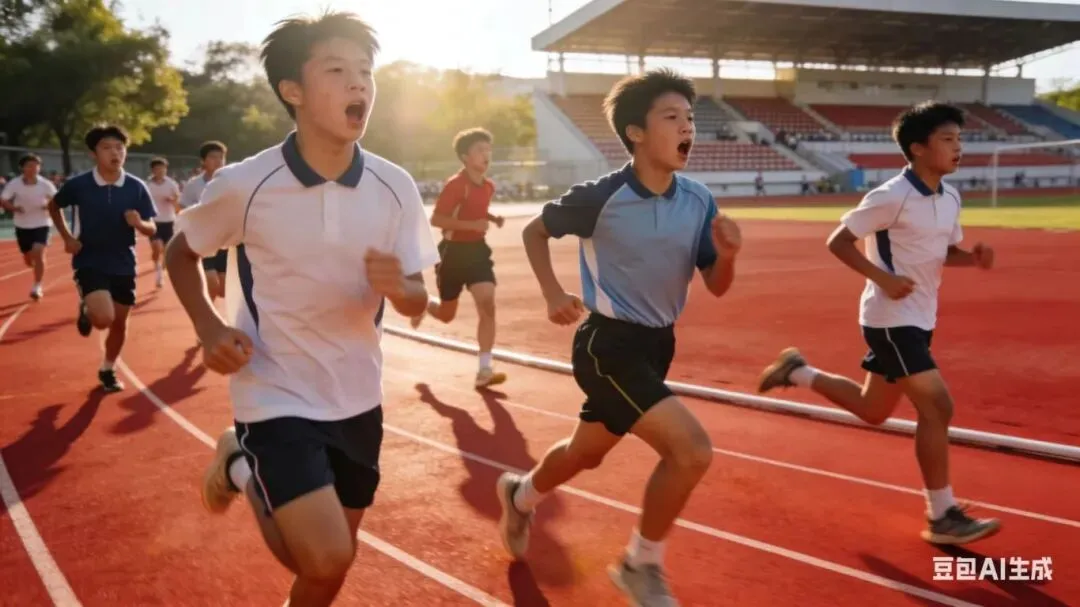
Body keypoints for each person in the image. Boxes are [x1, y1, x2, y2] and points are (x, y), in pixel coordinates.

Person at [166, 11, 438, 607]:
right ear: (292, 90)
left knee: (326, 569)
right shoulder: (247, 184)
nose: (358, 85)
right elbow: (179, 253)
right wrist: (209, 327)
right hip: (275, 393)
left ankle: (244, 470)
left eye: (366, 72)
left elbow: (420, 298)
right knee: (327, 554)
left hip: (358, 394)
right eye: (337, 70)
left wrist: (402, 289)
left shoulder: (394, 187)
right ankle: (242, 459)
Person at [496, 69, 742, 607]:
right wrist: (553, 292)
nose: (687, 128)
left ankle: (520, 494)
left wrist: (726, 254)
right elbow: (534, 230)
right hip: (607, 345)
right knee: (691, 451)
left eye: (691, 118)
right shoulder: (602, 196)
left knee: (586, 453)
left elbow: (717, 287)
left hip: (658, 346)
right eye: (672, 117)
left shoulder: (698, 199)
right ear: (635, 132)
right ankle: (641, 562)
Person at [757, 101, 1000, 545]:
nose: (958, 147)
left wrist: (973, 258)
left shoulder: (950, 196)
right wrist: (882, 278)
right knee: (938, 407)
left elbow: (942, 252)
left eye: (959, 139)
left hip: (921, 317)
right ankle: (942, 514)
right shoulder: (890, 195)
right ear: (918, 148)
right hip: (890, 319)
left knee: (874, 411)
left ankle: (798, 370)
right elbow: (839, 241)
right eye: (948, 139)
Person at [47, 125, 157, 392]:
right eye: (107, 147)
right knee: (104, 319)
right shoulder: (80, 185)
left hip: (123, 261)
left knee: (119, 323)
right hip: (89, 258)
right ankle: (88, 306)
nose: (114, 153)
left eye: (119, 147)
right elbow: (54, 204)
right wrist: (66, 237)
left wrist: (139, 223)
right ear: (94, 154)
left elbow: (152, 227)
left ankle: (108, 368)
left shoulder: (135, 186)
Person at [409, 127, 507, 388]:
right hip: (452, 254)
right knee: (445, 315)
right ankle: (424, 305)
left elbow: (477, 210)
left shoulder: (488, 186)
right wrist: (473, 225)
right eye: (479, 151)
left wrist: (491, 218)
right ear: (465, 157)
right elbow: (437, 219)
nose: (486, 155)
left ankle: (484, 369)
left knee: (487, 305)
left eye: (488, 150)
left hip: (477, 253)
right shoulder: (455, 185)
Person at [1, 153, 57, 300]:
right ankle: (33, 263)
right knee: (28, 257)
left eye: (36, 165)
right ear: (22, 168)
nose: (33, 168)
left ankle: (37, 286)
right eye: (29, 165)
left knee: (38, 252)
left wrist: (49, 206)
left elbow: (56, 200)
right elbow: (4, 199)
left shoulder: (46, 184)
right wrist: (14, 209)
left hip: (42, 223)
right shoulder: (14, 183)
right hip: (22, 224)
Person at [180, 141, 229, 300]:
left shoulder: (231, 181)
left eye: (221, 157)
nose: (218, 161)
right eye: (213, 157)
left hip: (227, 241)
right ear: (203, 161)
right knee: (211, 283)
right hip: (204, 241)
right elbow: (182, 208)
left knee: (224, 290)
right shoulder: (194, 184)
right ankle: (210, 322)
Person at [146, 157, 182, 287]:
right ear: (153, 170)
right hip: (154, 221)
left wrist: (172, 200)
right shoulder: (147, 185)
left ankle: (162, 268)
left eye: (163, 168)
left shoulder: (171, 184)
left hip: (169, 221)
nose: (160, 171)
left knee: (167, 251)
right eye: (157, 169)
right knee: (157, 248)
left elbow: (178, 202)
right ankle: (158, 273)